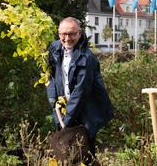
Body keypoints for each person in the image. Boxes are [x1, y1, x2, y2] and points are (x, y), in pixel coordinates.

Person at [47, 17, 113, 159]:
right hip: (64, 110)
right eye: (63, 34)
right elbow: (50, 75)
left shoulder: (87, 58)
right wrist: (53, 102)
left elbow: (81, 91)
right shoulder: (54, 49)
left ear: (79, 33)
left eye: (71, 34)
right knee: (66, 154)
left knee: (85, 155)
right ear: (58, 34)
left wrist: (67, 120)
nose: (67, 38)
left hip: (86, 112)